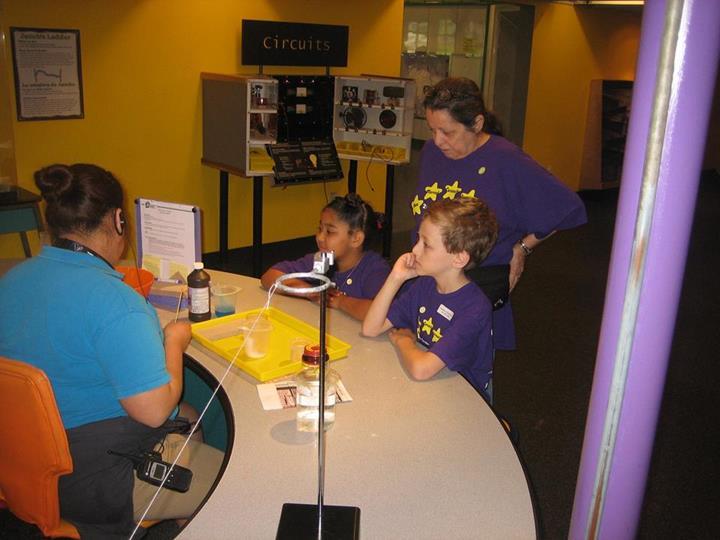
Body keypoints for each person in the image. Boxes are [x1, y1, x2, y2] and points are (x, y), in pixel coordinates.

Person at [0, 164, 223, 539]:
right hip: (91, 484)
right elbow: (154, 413)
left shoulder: (12, 281)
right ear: (118, 220)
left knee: (187, 415)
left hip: (19, 466)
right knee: (233, 473)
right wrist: (174, 341)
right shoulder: (118, 302)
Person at [416, 77, 587, 355]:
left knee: (461, 375)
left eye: (447, 132)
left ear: (477, 124)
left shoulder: (506, 160)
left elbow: (565, 207)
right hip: (429, 280)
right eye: (432, 129)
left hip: (473, 288)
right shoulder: (431, 153)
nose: (438, 140)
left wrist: (522, 247)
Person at [362, 198, 498, 399]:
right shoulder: (425, 284)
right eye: (418, 240)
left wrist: (403, 341)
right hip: (432, 382)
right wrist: (395, 279)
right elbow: (371, 328)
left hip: (466, 397)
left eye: (426, 244)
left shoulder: (474, 308)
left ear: (459, 258)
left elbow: (421, 370)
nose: (414, 250)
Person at [261, 193, 390, 321]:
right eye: (319, 229)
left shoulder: (375, 269)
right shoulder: (321, 260)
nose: (319, 237)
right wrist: (312, 292)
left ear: (356, 238)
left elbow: (382, 313)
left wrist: (340, 301)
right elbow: (269, 277)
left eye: (329, 232)